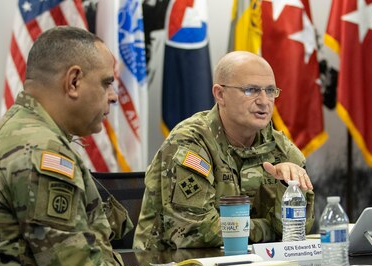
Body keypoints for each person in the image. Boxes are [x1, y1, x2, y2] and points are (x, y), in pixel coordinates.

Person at [0, 26, 166, 266]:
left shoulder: (16, 132)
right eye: (106, 82)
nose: (114, 96)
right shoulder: (42, 152)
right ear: (73, 82)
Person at [133, 51, 315, 250]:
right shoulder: (191, 143)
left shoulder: (283, 151)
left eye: (270, 90)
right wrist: (269, 228)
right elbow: (196, 232)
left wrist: (285, 187)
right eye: (251, 90)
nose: (264, 101)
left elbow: (300, 230)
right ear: (220, 94)